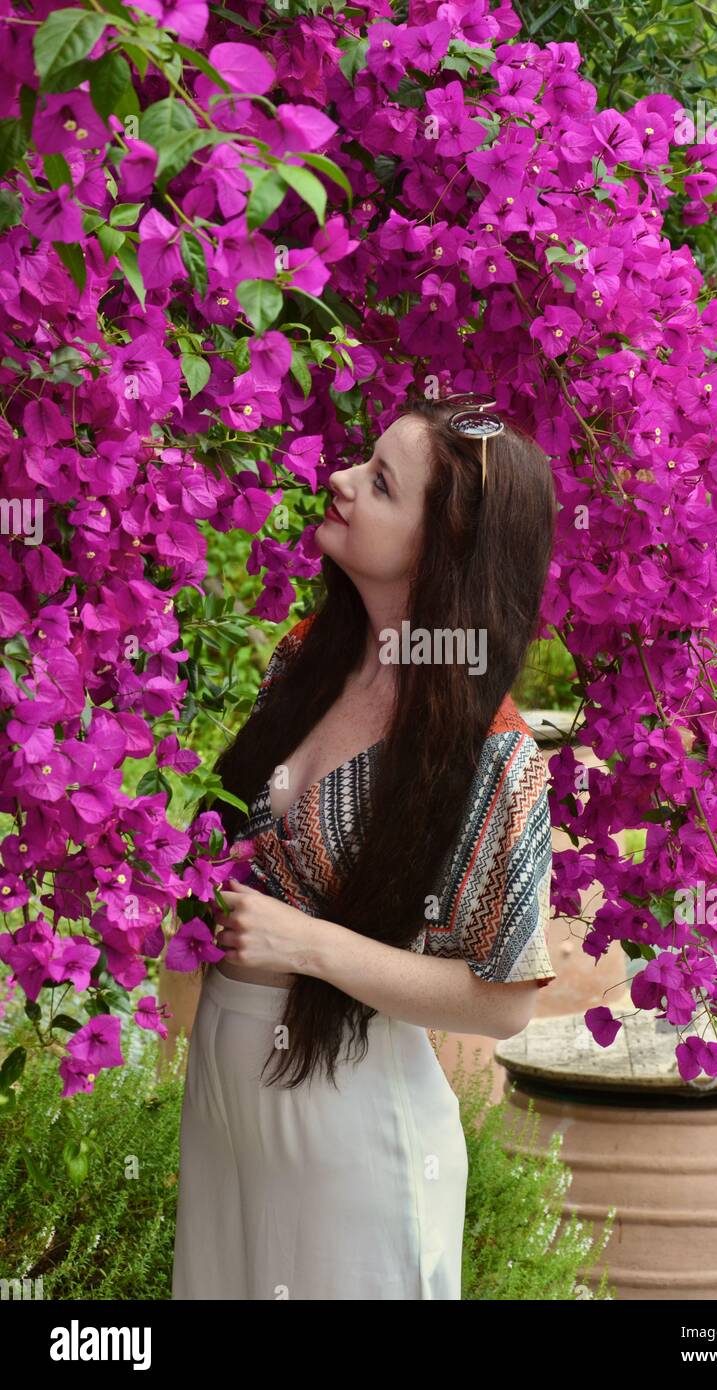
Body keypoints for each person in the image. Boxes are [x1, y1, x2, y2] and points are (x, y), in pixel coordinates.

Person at [171, 393, 559, 1300]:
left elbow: (505, 1006)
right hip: (226, 1097)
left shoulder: (491, 755)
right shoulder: (306, 656)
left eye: (380, 484)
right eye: (361, 462)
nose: (340, 481)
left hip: (353, 1125)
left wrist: (303, 944)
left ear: (441, 551)